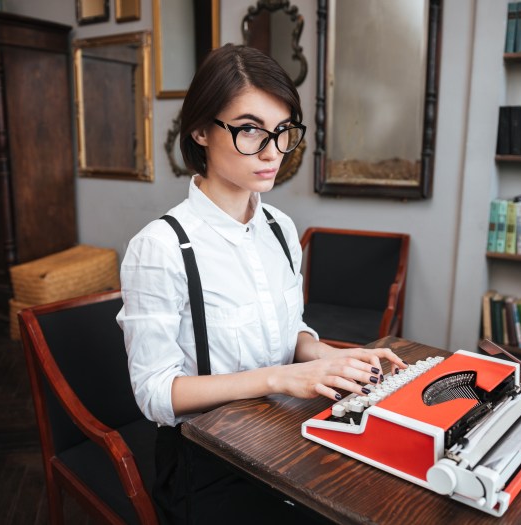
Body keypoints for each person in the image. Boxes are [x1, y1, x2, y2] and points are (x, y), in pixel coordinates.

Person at [116, 44, 406, 525]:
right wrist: (279, 378)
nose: (272, 152)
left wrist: (327, 356)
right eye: (250, 129)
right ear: (201, 130)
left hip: (283, 431)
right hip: (206, 461)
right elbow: (155, 393)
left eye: (282, 131)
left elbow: (286, 328)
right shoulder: (161, 247)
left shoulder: (280, 228)